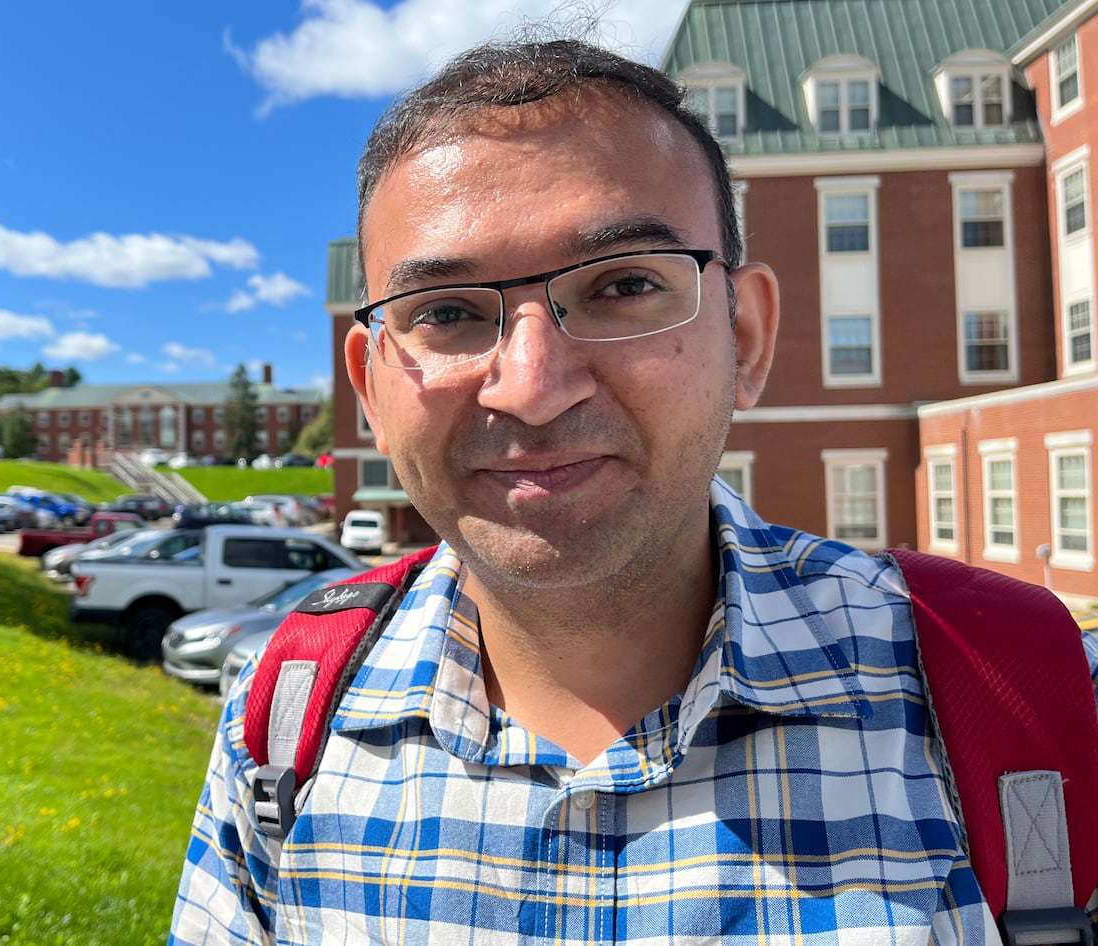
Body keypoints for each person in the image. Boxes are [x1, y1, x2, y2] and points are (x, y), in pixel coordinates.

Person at [169, 36, 1098, 945]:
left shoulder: (1024, 697)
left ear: (748, 338)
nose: (531, 384)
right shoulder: (282, 722)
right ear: (371, 386)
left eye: (622, 284)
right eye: (447, 312)